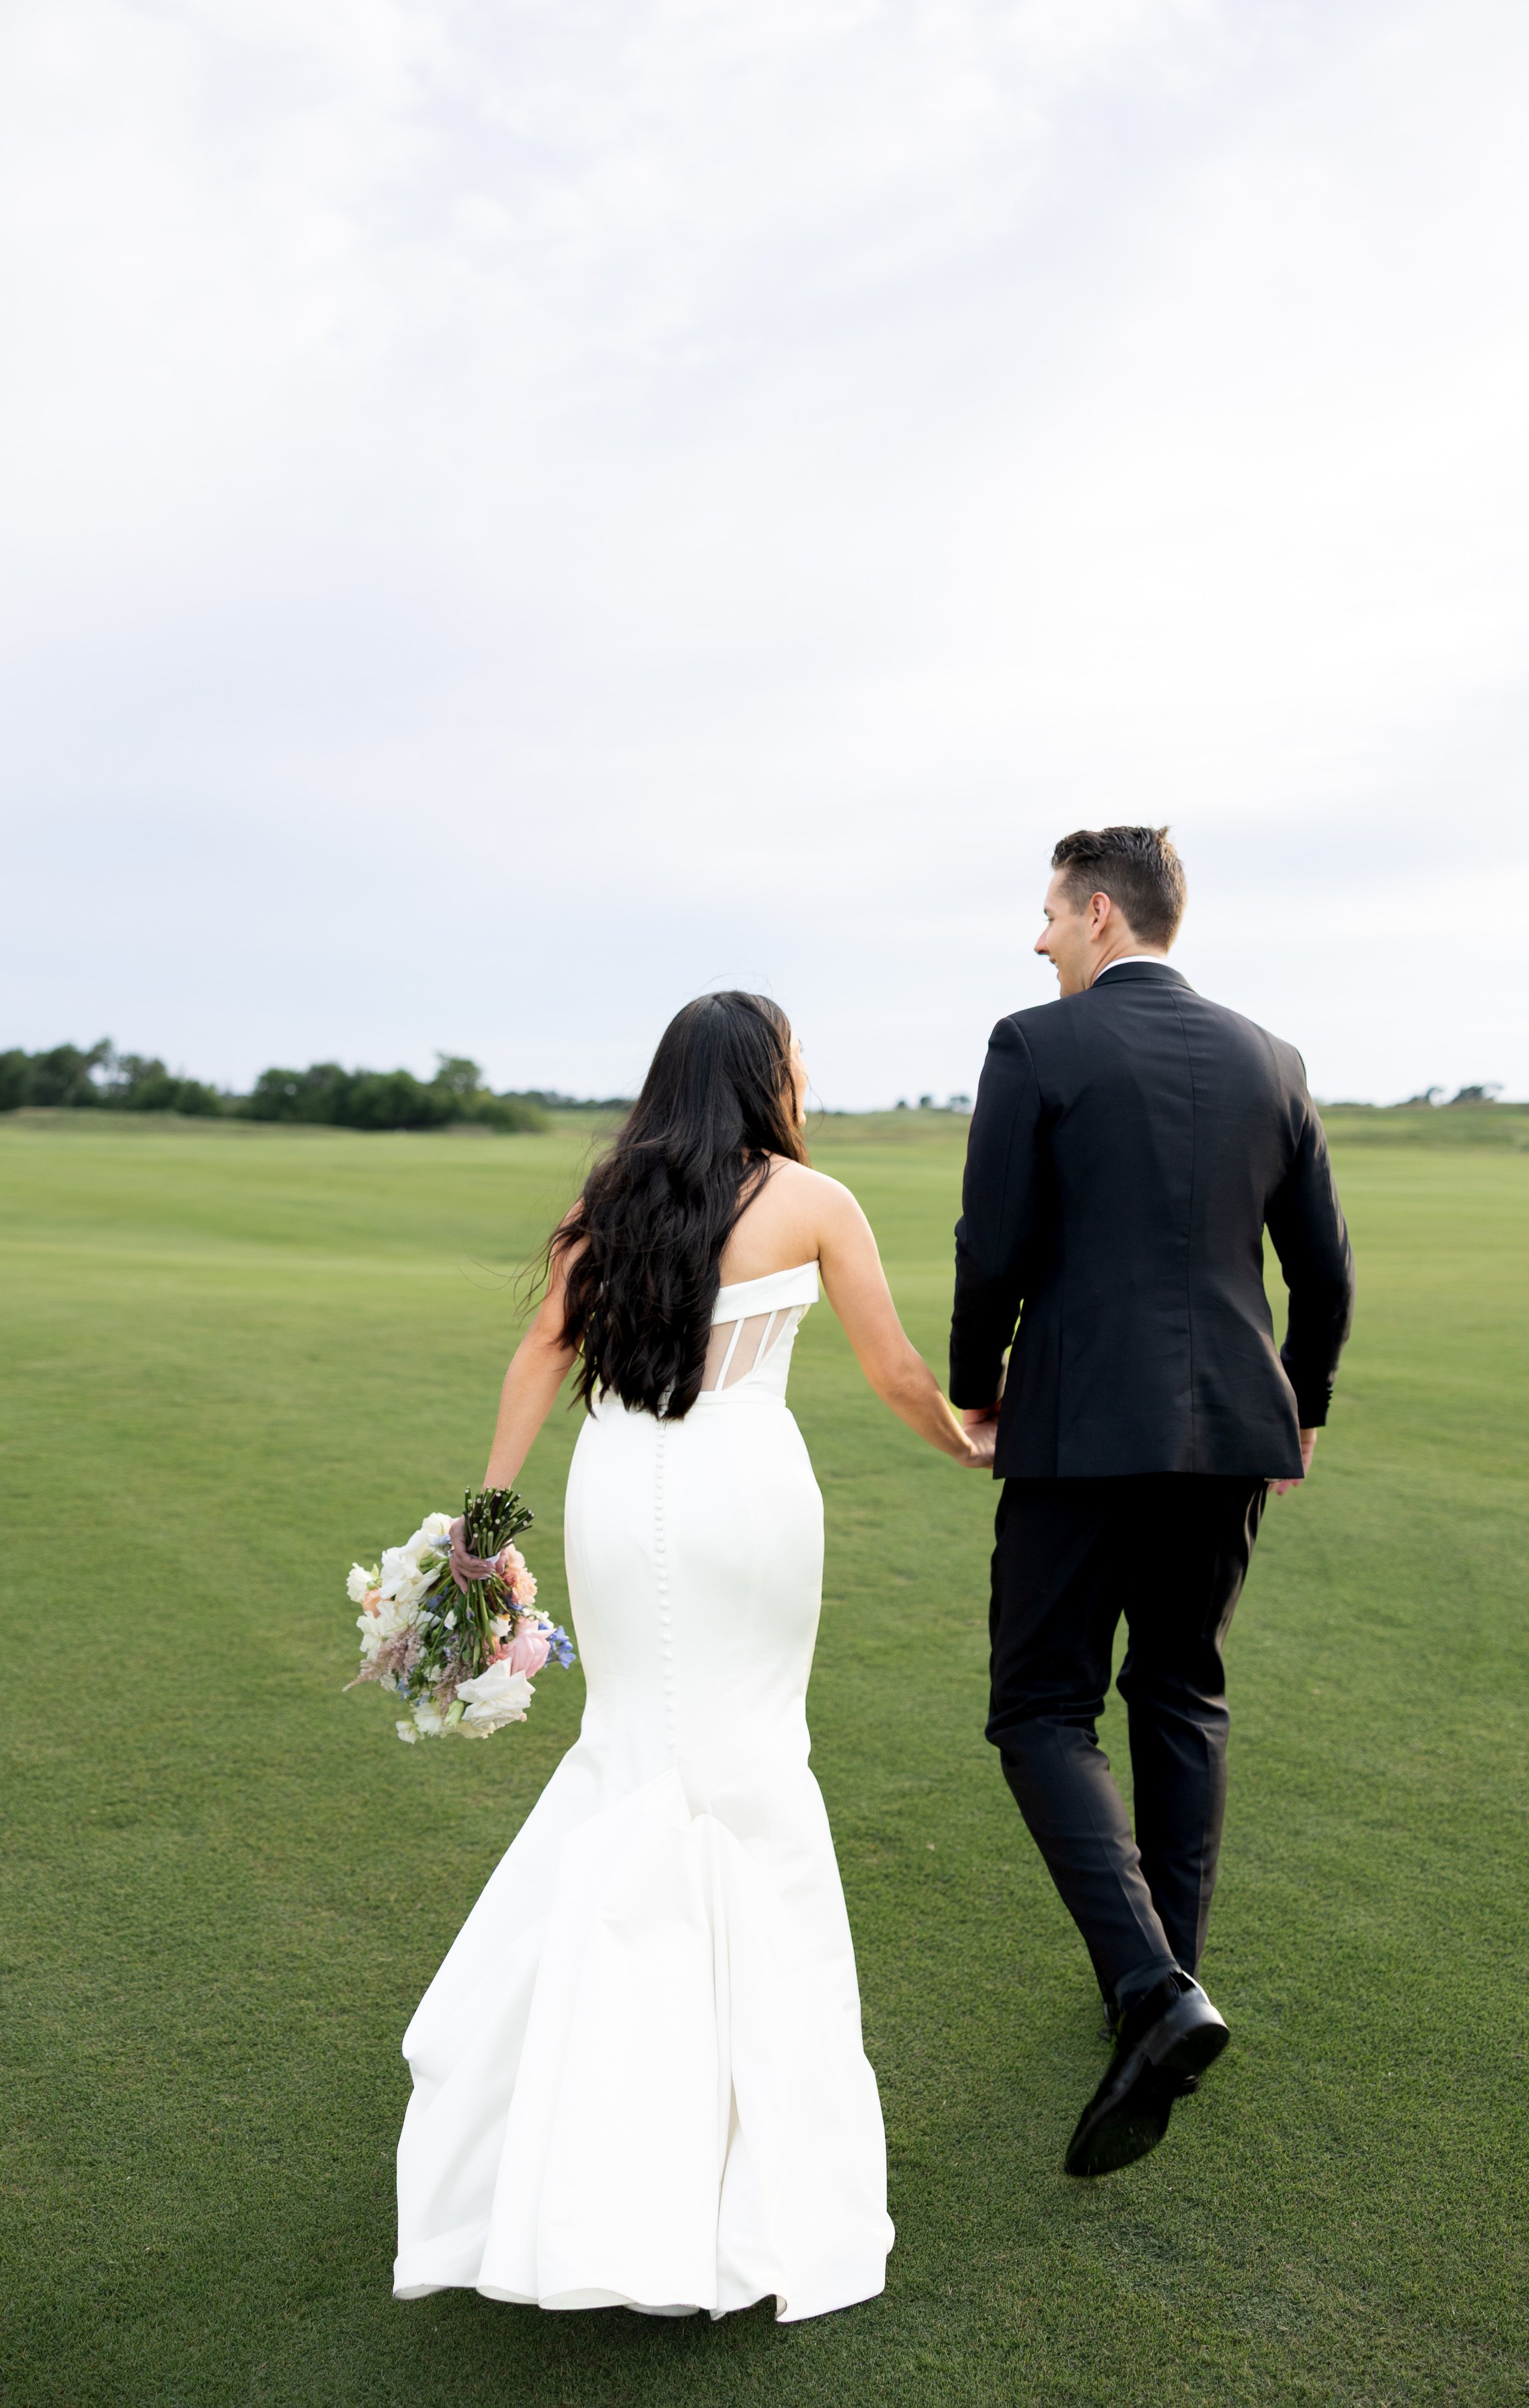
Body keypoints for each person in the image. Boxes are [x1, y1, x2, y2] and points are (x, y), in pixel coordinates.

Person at [393, 992, 980, 2322]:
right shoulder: (815, 1200)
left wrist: (481, 1538)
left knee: (633, 1755)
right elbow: (894, 1371)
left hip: (617, 1492)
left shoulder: (613, 1199)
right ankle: (726, 2162)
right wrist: (966, 1442)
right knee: (751, 1774)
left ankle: (573, 2136)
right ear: (767, 1075)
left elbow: (539, 1354)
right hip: (744, 1500)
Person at [950, 826, 1354, 2176]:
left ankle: (1150, 1989)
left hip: (1076, 1423)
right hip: (1232, 1429)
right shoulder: (1271, 1061)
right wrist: (1296, 1408)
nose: (1037, 938)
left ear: (1102, 914)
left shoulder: (1033, 1044)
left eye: (1050, 914)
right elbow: (1324, 1272)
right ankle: (1164, 1983)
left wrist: (974, 1384)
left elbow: (992, 1243)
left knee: (1038, 1708)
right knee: (1178, 1693)